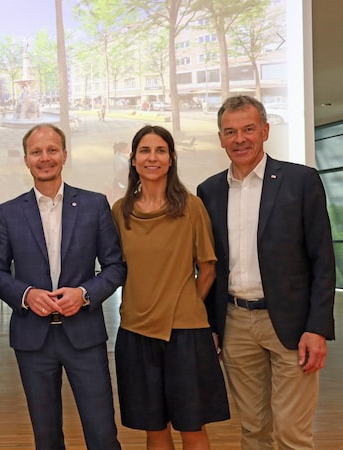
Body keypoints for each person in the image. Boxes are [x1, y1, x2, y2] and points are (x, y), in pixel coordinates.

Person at [197, 95, 336, 450]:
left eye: (248, 129)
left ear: (265, 131)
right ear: (220, 138)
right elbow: (210, 264)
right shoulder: (209, 191)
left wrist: (317, 328)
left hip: (292, 325)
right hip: (235, 324)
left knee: (292, 434)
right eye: (230, 131)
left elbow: (323, 259)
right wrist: (212, 327)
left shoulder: (300, 181)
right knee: (253, 432)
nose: (239, 139)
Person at [0, 123, 126, 450]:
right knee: (47, 438)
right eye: (36, 152)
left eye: (52, 150)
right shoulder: (8, 213)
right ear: (26, 159)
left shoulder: (94, 205)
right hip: (33, 342)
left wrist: (85, 294)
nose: (45, 158)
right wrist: (25, 295)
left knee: (103, 435)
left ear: (65, 155)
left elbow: (115, 266)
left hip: (85, 337)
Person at [111, 125, 230, 449]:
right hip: (136, 332)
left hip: (186, 334)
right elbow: (115, 268)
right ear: (133, 159)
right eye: (145, 151)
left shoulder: (191, 207)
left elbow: (207, 269)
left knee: (192, 429)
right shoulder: (121, 211)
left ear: (172, 158)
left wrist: (183, 303)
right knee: (155, 429)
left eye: (160, 150)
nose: (153, 157)